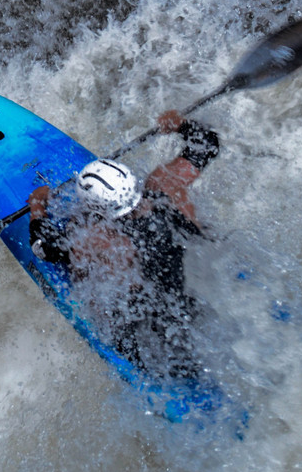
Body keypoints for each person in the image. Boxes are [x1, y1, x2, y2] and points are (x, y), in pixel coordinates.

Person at [27, 109, 221, 380]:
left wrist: (37, 209)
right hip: (194, 301)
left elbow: (42, 248)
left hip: (154, 334)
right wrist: (182, 125)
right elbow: (208, 144)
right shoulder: (165, 188)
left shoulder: (95, 240)